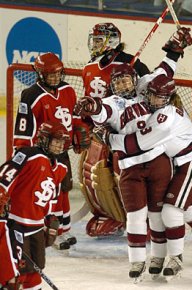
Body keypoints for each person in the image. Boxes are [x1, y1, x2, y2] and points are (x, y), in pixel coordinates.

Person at [75, 26, 192, 281]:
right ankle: (138, 261)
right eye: (117, 81)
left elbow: (164, 70)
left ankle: (173, 256)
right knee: (136, 216)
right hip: (130, 166)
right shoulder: (111, 103)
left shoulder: (144, 88)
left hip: (157, 161)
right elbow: (101, 111)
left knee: (161, 213)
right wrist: (91, 106)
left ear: (134, 80)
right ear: (112, 85)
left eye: (126, 79)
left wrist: (174, 48)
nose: (123, 84)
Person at [102, 74, 192, 278]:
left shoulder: (165, 119)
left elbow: (135, 145)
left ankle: (177, 259)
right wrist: (171, 51)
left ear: (168, 98)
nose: (154, 101)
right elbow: (152, 74)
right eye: (152, 96)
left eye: (160, 98)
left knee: (171, 211)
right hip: (179, 160)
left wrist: (107, 138)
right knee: (183, 204)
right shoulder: (155, 103)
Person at [13, 52, 90, 250]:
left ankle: (63, 230)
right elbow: (24, 129)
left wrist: (79, 129)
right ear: (40, 74)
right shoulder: (31, 95)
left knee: (64, 189)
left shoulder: (67, 90)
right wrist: (25, 156)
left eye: (58, 74)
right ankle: (50, 232)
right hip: (44, 153)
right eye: (51, 75)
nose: (56, 78)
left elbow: (74, 116)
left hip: (62, 150)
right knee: (49, 193)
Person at [80, 22, 151, 238]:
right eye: (94, 39)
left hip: (126, 130)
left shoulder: (133, 64)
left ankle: (144, 218)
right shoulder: (89, 67)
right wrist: (83, 126)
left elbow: (147, 96)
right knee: (94, 174)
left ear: (112, 41)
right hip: (99, 131)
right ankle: (109, 214)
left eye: (99, 39)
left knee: (128, 175)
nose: (95, 44)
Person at [0, 121, 70, 289]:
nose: (60, 146)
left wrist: (51, 219)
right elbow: (5, 175)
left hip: (37, 227)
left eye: (62, 142)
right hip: (16, 225)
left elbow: (52, 197)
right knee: (13, 278)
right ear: (45, 139)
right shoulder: (29, 154)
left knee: (34, 273)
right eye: (56, 141)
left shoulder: (61, 168)